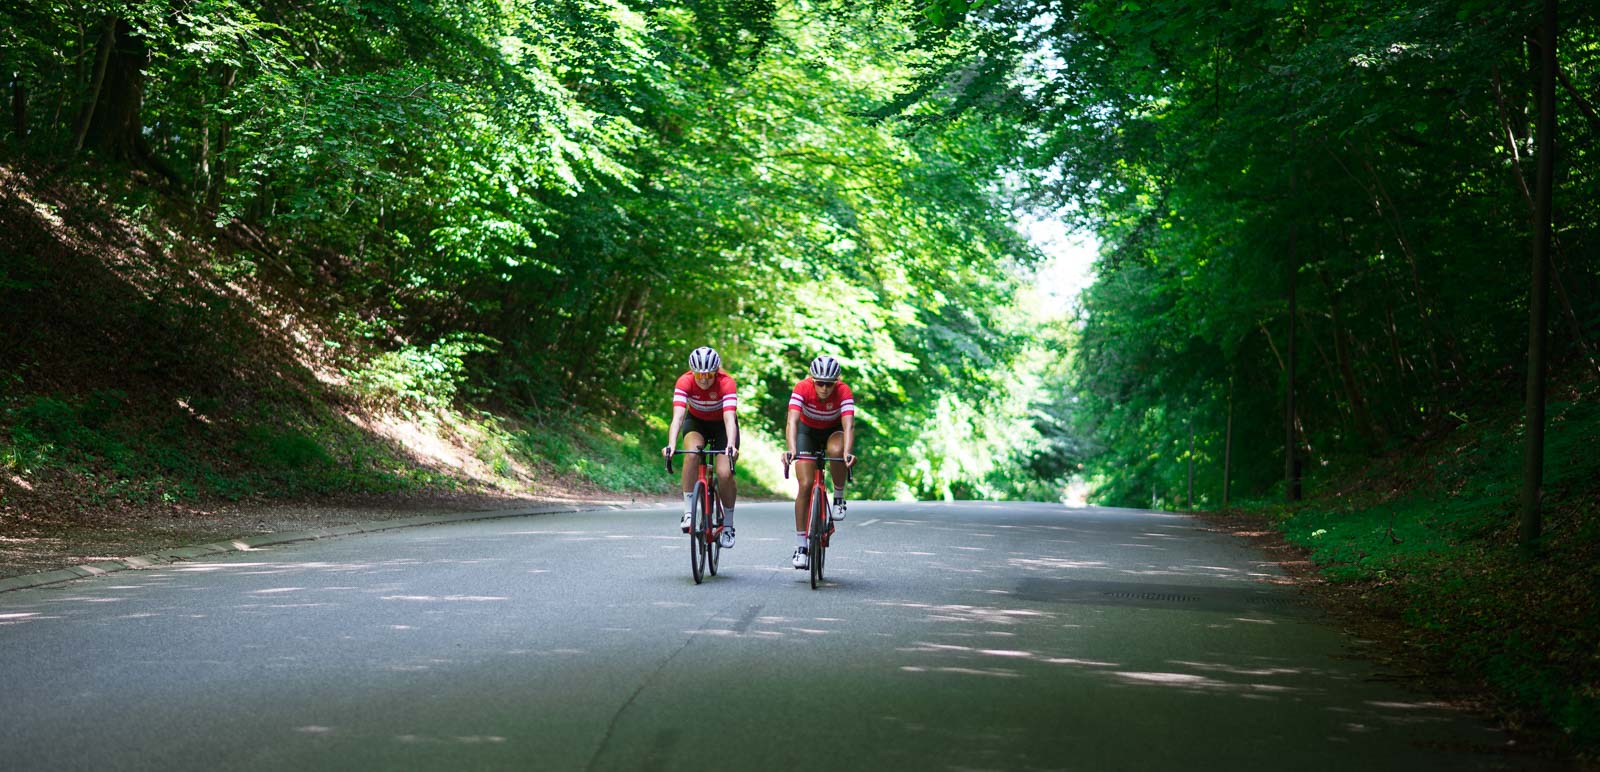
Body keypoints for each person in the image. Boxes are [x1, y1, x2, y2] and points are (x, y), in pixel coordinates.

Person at [783, 354, 856, 570]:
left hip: (833, 431)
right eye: (820, 383)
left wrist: (848, 452)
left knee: (836, 450)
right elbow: (792, 421)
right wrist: (792, 449)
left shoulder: (844, 391)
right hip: (807, 432)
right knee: (805, 485)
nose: (824, 388)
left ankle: (839, 497)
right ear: (813, 380)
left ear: (836, 382)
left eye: (829, 384)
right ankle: (801, 547)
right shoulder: (802, 388)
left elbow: (849, 425)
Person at [663, 346, 740, 548]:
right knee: (691, 454)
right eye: (699, 374)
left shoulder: (727, 383)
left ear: (716, 372)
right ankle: (689, 512)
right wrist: (671, 445)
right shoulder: (684, 381)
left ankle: (729, 525)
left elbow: (729, 418)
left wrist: (731, 445)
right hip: (696, 422)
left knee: (724, 473)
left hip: (723, 427)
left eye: (709, 374)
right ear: (692, 372)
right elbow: (678, 417)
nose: (704, 379)